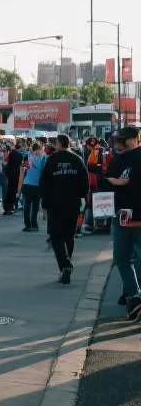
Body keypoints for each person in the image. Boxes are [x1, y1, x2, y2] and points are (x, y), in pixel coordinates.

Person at [99, 127, 141, 320]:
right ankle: (135, 295)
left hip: (124, 215)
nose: (118, 144)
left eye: (121, 140)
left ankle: (134, 295)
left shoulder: (120, 160)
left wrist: (115, 182)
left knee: (123, 258)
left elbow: (107, 183)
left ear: (132, 140)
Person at [39, 134, 89, 284]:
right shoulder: (77, 160)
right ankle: (65, 265)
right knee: (69, 235)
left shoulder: (51, 160)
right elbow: (84, 182)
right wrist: (81, 196)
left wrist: (45, 203)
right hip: (72, 203)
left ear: (59, 143)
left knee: (55, 236)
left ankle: (65, 264)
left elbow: (45, 183)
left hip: (56, 203)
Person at [21, 142, 46, 232]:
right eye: (41, 149)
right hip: (36, 185)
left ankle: (27, 225)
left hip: (26, 184)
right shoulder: (43, 158)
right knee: (35, 206)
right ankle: (34, 224)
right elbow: (43, 169)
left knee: (27, 205)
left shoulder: (28, 156)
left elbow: (24, 167)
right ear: (39, 150)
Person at [3, 139, 26, 214]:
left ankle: (7, 208)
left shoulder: (11, 155)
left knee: (9, 191)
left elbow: (6, 161)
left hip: (9, 175)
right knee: (15, 191)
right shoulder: (20, 156)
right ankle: (14, 205)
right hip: (16, 175)